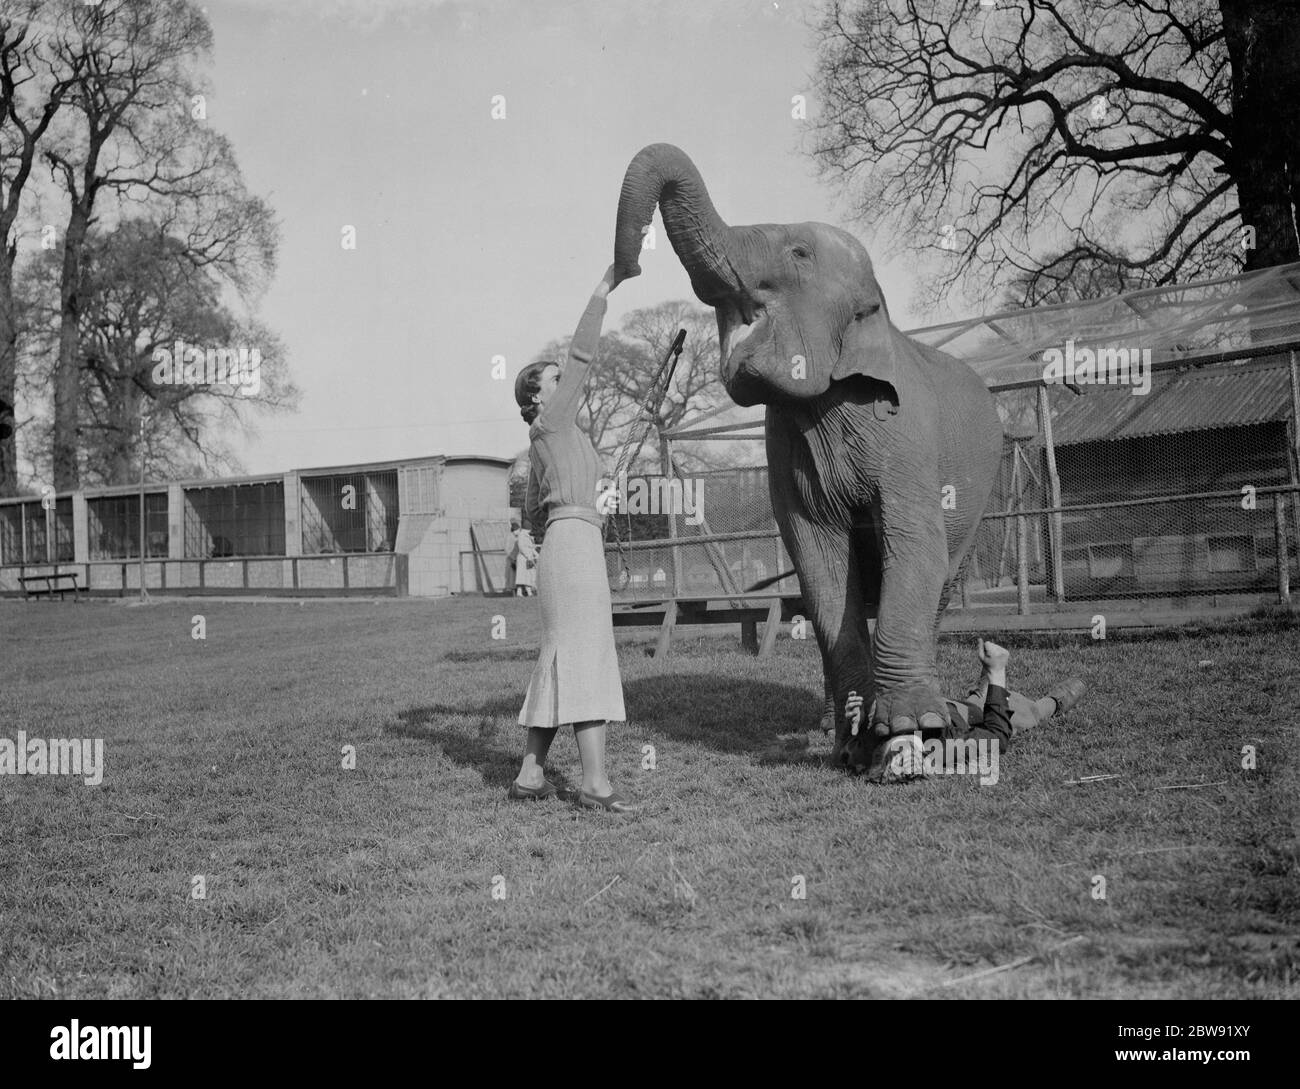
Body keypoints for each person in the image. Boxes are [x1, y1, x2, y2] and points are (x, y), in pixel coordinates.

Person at [509, 264, 637, 813]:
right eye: (554, 381)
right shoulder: (553, 424)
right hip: (571, 551)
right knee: (583, 656)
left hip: (573, 543)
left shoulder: (560, 436)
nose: (567, 384)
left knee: (564, 655)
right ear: (537, 399)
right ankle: (595, 786)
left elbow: (535, 502)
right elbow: (583, 357)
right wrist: (602, 292)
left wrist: (587, 510)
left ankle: (531, 775)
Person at [845, 639, 1085, 758]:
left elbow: (858, 755)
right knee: (1027, 714)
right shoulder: (942, 752)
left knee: (975, 699)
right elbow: (996, 737)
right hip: (976, 718)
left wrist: (859, 726)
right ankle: (1056, 701)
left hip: (953, 706)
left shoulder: (879, 751)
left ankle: (983, 688)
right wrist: (997, 673)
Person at [507, 520, 539, 597]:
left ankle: (524, 592)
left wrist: (536, 555)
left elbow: (531, 548)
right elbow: (522, 548)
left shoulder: (526, 535)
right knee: (523, 577)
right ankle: (522, 592)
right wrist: (528, 556)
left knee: (526, 576)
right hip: (523, 558)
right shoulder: (522, 536)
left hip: (527, 558)